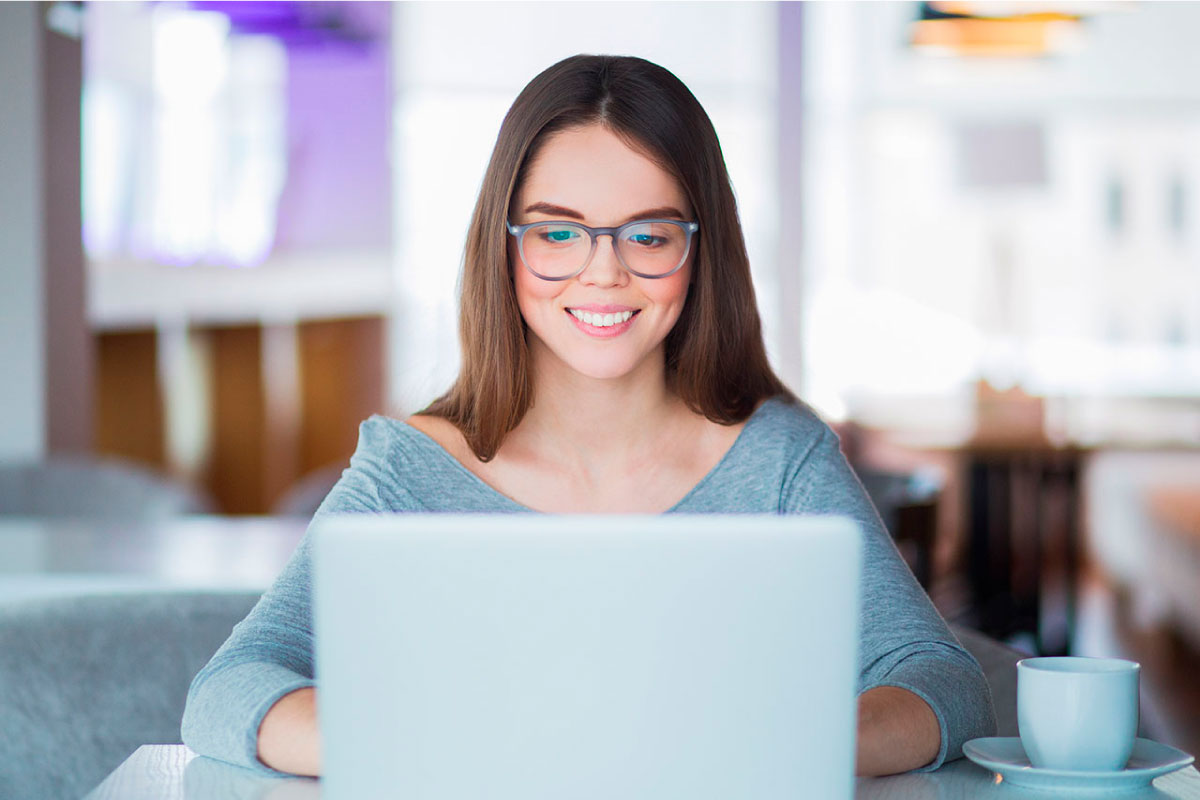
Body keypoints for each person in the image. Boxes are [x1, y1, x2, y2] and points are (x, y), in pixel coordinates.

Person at [181, 53, 996, 780]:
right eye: (559, 233)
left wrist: (785, 746)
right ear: (505, 249)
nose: (603, 275)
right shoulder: (409, 468)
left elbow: (942, 680)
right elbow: (229, 690)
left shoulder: (779, 459)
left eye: (648, 235)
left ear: (698, 249)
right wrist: (426, 746)